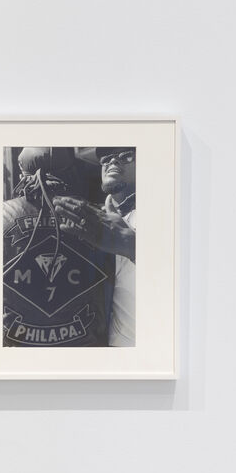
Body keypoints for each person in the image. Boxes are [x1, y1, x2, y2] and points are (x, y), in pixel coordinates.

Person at [1, 148, 121, 346]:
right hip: (85, 349)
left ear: (23, 173)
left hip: (17, 349)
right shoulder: (98, 216)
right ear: (70, 171)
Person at [95, 147, 139, 346]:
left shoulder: (164, 213)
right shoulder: (95, 219)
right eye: (107, 158)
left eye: (126, 155)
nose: (113, 162)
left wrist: (133, 247)